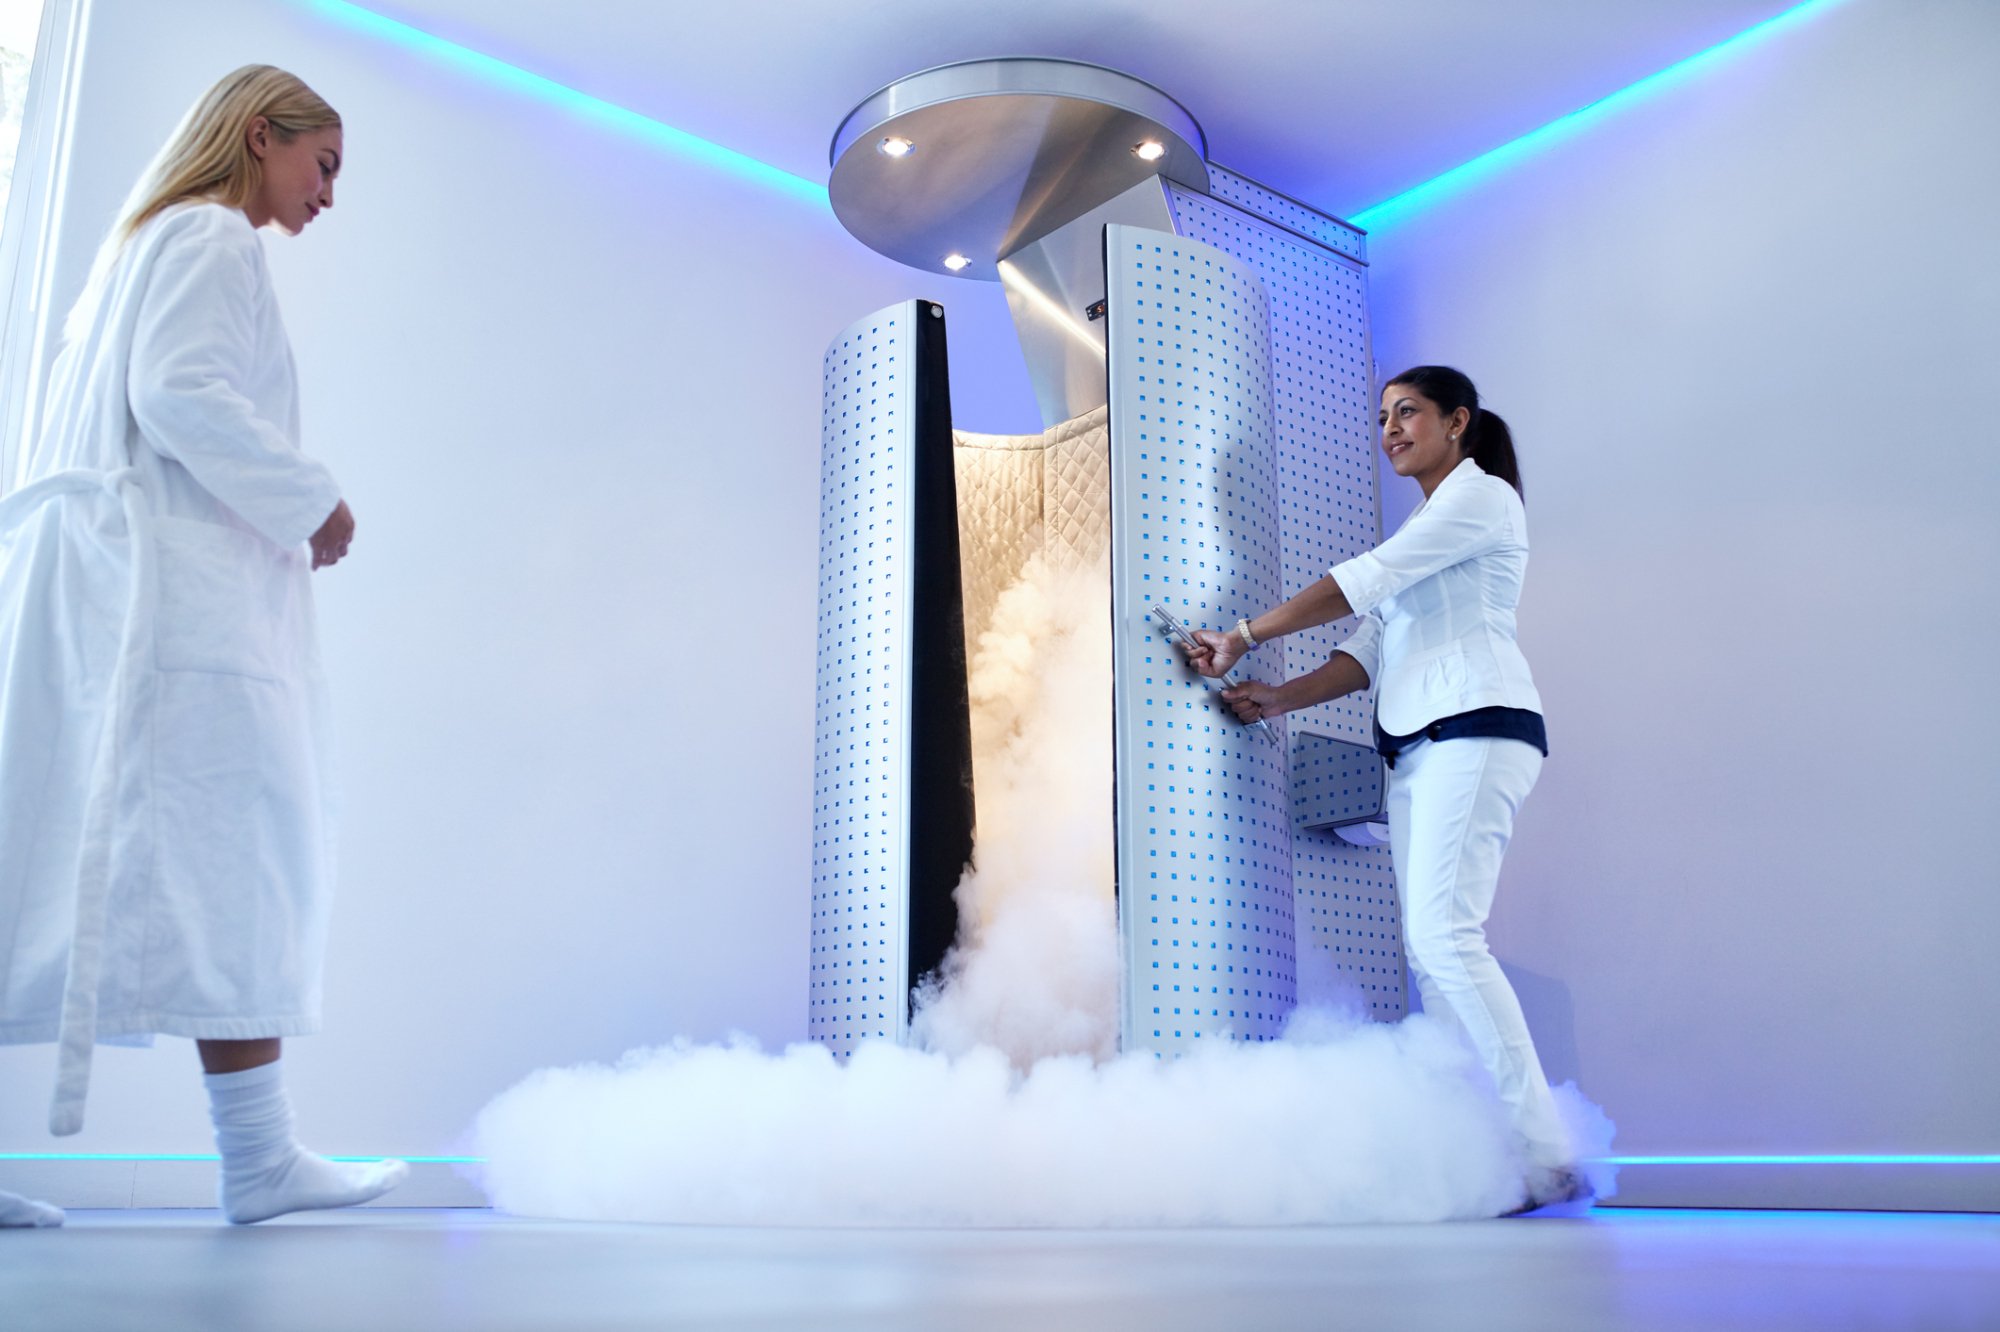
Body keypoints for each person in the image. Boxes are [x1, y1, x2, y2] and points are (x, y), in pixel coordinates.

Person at [0, 65, 405, 1226]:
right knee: (243, 854)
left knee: (184, 869)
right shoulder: (212, 237)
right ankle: (259, 1159)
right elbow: (178, 390)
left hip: (123, 600)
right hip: (167, 615)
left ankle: (259, 1158)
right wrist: (308, 499)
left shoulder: (147, 246)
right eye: (322, 164)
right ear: (258, 135)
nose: (329, 195)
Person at [1181, 365, 1588, 1211]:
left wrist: (1246, 635)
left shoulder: (1482, 501)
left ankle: (1548, 1155)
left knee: (1446, 941)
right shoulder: (1433, 523)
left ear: (1458, 422)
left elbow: (1361, 579)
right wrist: (1277, 700)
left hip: (1477, 729)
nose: (1391, 429)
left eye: (1409, 413)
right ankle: (1482, 1160)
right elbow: (1365, 652)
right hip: (1416, 748)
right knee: (1432, 959)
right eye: (1382, 417)